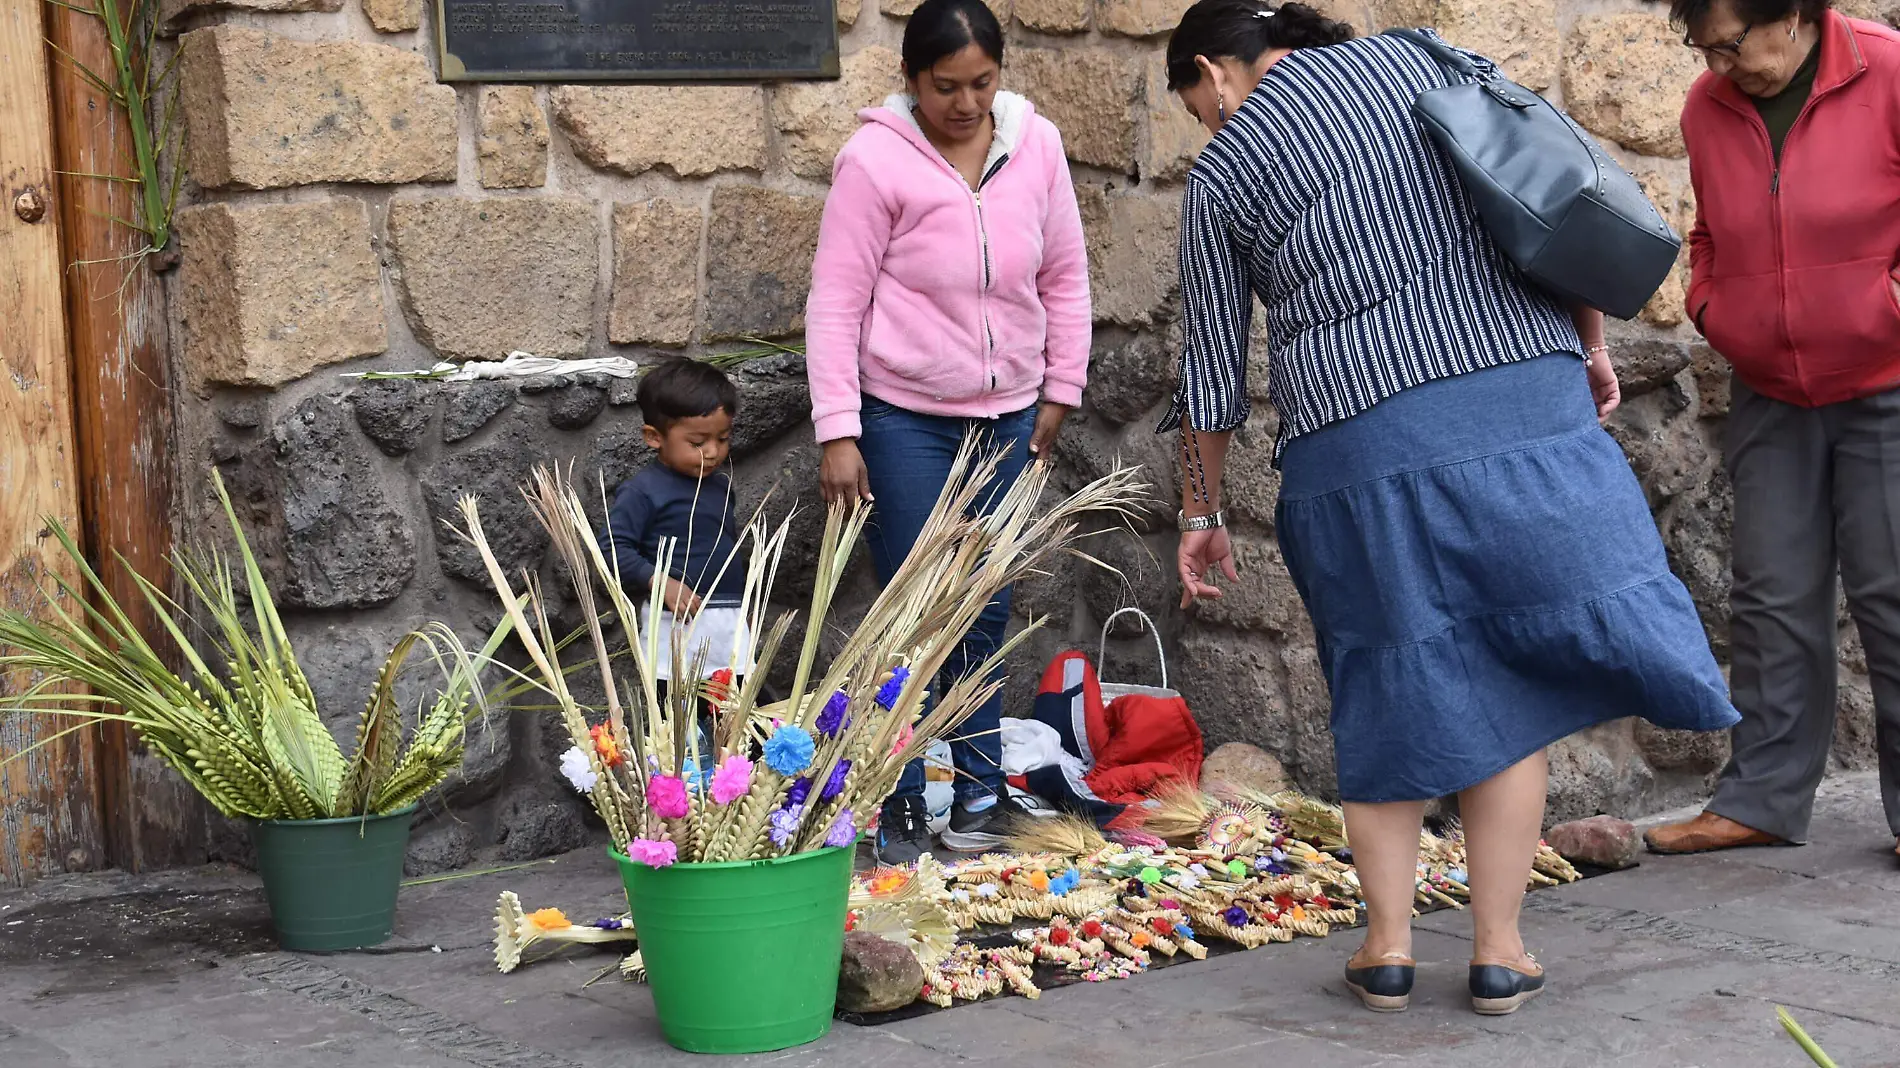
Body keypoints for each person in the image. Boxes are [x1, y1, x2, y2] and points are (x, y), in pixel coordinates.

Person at [1160, 0, 1739, 1016]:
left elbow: (1206, 372)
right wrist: (1592, 345)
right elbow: (1556, 202)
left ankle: (1385, 949)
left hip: (1353, 448)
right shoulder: (1427, 58)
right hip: (1513, 397)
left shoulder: (1223, 168)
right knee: (1505, 678)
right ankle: (1499, 950)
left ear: (1215, 74)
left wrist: (1199, 511)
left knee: (1386, 679)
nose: (1211, 122)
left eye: (1200, 107)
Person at [804, 0, 1091, 862]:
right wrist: (838, 429)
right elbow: (835, 302)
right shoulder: (873, 162)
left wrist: (1060, 388)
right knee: (913, 609)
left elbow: (1066, 273)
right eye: (945, 86)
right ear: (909, 78)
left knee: (986, 607)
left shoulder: (1035, 146)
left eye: (982, 83)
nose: (965, 104)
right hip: (904, 419)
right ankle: (889, 799)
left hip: (1007, 417)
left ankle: (974, 799)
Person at [1646, 0, 1900, 862]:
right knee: (1769, 599)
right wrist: (1715, 307)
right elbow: (1711, 230)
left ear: (1791, 15)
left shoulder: (1889, 71)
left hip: (1888, 384)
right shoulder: (1705, 107)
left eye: (1731, 44)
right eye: (1702, 48)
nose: (1718, 66)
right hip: (1769, 388)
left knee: (1891, 593)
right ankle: (1759, 799)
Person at [600, 358, 753, 762]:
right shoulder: (642, 492)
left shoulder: (721, 488)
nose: (715, 451)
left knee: (733, 721)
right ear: (654, 437)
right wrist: (659, 581)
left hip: (727, 624)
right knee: (678, 726)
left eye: (723, 438)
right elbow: (611, 548)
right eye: (699, 442)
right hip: (675, 629)